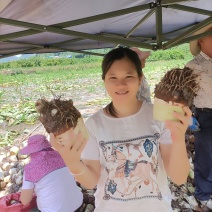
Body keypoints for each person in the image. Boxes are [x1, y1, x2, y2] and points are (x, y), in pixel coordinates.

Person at [50, 47, 191, 212]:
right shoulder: (94, 124)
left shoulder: (159, 117)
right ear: (104, 81)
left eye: (129, 76)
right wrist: (73, 163)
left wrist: (179, 136)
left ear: (140, 79)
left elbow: (179, 177)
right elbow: (91, 181)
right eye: (113, 77)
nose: (121, 84)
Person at [19, 134, 83, 212]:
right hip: (77, 204)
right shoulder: (62, 156)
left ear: (31, 152)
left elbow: (25, 201)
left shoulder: (30, 168)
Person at [185, 23, 212, 209]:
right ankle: (204, 194)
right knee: (206, 156)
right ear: (201, 40)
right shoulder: (192, 66)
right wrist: (187, 115)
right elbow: (182, 95)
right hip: (205, 115)